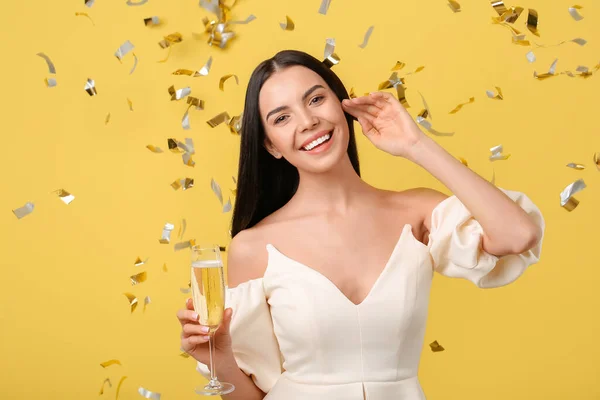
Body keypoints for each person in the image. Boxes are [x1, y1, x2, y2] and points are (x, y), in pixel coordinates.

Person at [177, 50, 545, 400]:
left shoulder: (415, 211)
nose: (308, 122)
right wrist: (220, 356)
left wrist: (416, 144)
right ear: (271, 145)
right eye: (281, 117)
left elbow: (518, 234)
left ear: (343, 105)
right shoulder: (253, 246)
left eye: (316, 99)